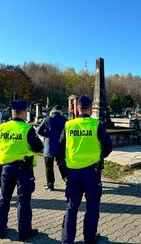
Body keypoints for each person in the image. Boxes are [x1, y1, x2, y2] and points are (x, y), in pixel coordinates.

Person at [60, 96, 112, 244]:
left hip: (73, 172)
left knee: (71, 207)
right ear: (90, 109)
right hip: (92, 173)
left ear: (78, 109)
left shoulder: (68, 125)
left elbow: (60, 149)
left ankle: (66, 240)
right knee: (92, 206)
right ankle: (89, 238)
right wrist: (101, 155)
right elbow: (109, 146)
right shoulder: (96, 125)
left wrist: (65, 169)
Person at [0, 100, 43, 241]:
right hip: (23, 170)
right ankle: (24, 232)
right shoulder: (26, 129)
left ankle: (0, 230)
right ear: (22, 112)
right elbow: (38, 147)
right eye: (26, 111)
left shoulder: (2, 127)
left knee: (4, 199)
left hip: (6, 168)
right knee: (23, 201)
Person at [37, 105, 68, 191]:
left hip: (49, 145)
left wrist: (47, 135)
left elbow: (39, 131)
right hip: (60, 145)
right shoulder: (65, 120)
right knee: (62, 164)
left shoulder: (47, 119)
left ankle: (50, 185)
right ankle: (67, 180)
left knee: (49, 166)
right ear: (60, 111)